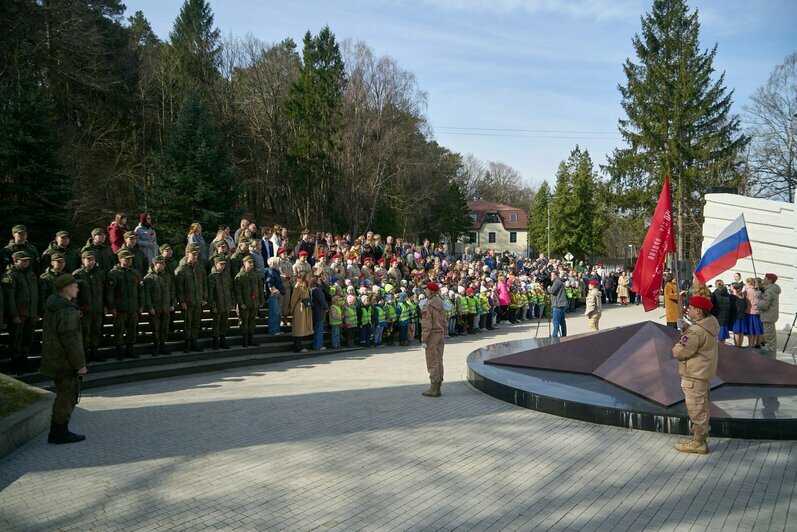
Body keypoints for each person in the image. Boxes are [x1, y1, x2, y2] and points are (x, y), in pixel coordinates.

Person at [38, 274, 88, 444]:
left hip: (54, 358)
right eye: (75, 286)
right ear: (67, 289)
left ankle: (57, 431)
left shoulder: (54, 305)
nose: (78, 289)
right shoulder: (67, 312)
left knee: (63, 394)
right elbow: (72, 342)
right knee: (67, 396)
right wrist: (80, 365)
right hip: (64, 362)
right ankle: (59, 432)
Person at [672, 295, 719, 455]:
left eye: (690, 308)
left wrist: (682, 337)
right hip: (702, 374)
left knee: (696, 408)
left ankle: (699, 443)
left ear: (698, 312)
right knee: (702, 406)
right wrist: (686, 328)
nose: (688, 310)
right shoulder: (711, 323)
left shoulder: (695, 332)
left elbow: (680, 351)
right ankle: (698, 438)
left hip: (693, 375)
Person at [2, 251, 43, 374]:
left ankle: (24, 362)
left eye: (27, 260)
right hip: (19, 314)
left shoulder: (31, 274)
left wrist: (37, 312)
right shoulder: (10, 275)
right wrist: (14, 315)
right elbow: (9, 298)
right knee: (16, 340)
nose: (26, 262)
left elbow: (36, 294)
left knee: (28, 339)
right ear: (15, 261)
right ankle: (16, 365)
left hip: (31, 313)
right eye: (23, 260)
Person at [106, 249, 143, 360]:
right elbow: (110, 292)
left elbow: (141, 290)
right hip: (120, 308)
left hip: (133, 307)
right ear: (120, 259)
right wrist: (111, 307)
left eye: (130, 259)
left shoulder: (135, 273)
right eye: (126, 259)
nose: (129, 261)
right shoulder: (114, 273)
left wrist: (141, 305)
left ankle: (130, 350)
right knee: (119, 330)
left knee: (132, 329)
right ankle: (119, 351)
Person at [73, 250, 107, 362]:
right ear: (83, 260)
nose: (91, 261)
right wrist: (77, 308)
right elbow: (74, 295)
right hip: (84, 310)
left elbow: (105, 291)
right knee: (85, 332)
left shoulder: (100, 273)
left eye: (92, 259)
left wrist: (106, 305)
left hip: (98, 308)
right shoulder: (77, 274)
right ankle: (85, 354)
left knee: (96, 331)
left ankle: (94, 353)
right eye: (88, 259)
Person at [175, 243, 207, 352]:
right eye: (193, 254)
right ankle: (187, 344)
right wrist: (181, 301)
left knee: (196, 323)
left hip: (198, 301)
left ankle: (194, 342)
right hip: (187, 302)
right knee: (187, 324)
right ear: (187, 254)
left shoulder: (199, 268)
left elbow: (204, 283)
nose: (195, 256)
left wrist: (204, 298)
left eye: (197, 254)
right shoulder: (181, 269)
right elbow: (179, 288)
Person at [143, 256, 176, 356]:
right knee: (155, 328)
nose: (163, 265)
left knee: (164, 327)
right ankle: (156, 346)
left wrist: (173, 304)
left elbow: (172, 291)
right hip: (155, 308)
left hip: (166, 307)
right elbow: (146, 295)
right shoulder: (149, 278)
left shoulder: (168, 276)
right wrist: (150, 307)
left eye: (164, 263)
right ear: (155, 264)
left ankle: (163, 345)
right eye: (161, 263)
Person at [420, 282, 447, 397]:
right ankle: (439, 385)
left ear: (430, 291)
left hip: (432, 335)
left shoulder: (427, 305)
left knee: (432, 361)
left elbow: (427, 325)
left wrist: (424, 340)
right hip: (440, 334)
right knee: (439, 360)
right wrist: (444, 331)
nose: (425, 291)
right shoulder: (441, 303)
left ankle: (434, 387)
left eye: (426, 289)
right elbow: (445, 320)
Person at [234, 255, 263, 347]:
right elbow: (237, 292)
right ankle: (245, 340)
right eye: (249, 262)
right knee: (244, 321)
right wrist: (241, 303)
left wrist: (261, 301)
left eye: (252, 262)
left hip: (254, 303)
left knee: (252, 321)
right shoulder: (240, 276)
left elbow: (260, 289)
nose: (251, 264)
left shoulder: (255, 275)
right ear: (244, 263)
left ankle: (251, 338)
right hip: (245, 303)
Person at [207, 256, 234, 349]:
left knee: (224, 323)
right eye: (221, 264)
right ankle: (215, 342)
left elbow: (231, 290)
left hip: (226, 304)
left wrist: (232, 302)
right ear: (215, 264)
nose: (223, 266)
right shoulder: (212, 277)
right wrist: (212, 305)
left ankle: (223, 340)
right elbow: (210, 293)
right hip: (217, 304)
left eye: (224, 264)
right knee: (216, 324)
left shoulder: (227, 276)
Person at [756, 273, 781, 352]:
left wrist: (758, 301)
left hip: (768, 316)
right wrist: (761, 296)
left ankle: (770, 350)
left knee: (769, 335)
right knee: (771, 334)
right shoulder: (772, 290)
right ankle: (771, 348)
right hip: (771, 316)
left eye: (765, 278)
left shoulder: (769, 291)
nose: (763, 279)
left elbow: (763, 305)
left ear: (769, 280)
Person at [290, 271, 313, 352]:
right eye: (307, 276)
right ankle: (297, 347)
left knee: (302, 328)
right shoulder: (298, 286)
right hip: (299, 308)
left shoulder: (306, 286)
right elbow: (294, 299)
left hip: (305, 308)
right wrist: (292, 311)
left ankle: (299, 346)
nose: (309, 278)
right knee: (299, 328)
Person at [265, 257, 285, 335]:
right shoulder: (271, 271)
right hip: (273, 295)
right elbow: (269, 282)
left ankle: (277, 329)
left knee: (277, 313)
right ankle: (273, 330)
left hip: (276, 295)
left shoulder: (275, 271)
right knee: (274, 313)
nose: (279, 263)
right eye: (278, 262)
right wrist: (274, 291)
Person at [709, 280, 734, 344]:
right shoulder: (727, 294)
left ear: (716, 285)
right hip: (725, 317)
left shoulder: (714, 294)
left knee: (715, 336)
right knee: (722, 337)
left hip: (716, 316)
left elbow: (711, 305)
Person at [310, 276, 329, 350]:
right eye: (318, 280)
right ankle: (318, 345)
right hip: (318, 311)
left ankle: (318, 344)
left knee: (319, 329)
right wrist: (326, 307)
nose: (320, 281)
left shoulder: (316, 289)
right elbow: (321, 300)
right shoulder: (316, 290)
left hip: (318, 311)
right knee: (319, 329)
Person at [548, 270, 567, 337]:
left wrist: (548, 288)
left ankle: (554, 336)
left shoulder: (557, 282)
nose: (550, 277)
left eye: (551, 275)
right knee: (562, 321)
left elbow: (552, 291)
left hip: (558, 304)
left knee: (556, 321)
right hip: (561, 303)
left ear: (555, 275)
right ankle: (564, 335)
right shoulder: (559, 281)